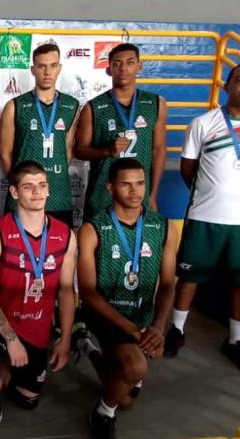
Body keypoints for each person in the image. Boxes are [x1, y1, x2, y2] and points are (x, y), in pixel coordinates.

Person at [164, 62, 240, 377]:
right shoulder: (203, 123)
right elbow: (188, 168)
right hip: (204, 215)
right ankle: (177, 330)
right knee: (189, 276)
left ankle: (237, 341)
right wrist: (212, 193)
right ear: (227, 86)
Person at [0, 160, 76, 439]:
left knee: (28, 400)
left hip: (38, 331)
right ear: (15, 192)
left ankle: (10, 375)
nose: (37, 192)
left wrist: (65, 339)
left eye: (42, 185)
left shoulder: (65, 234)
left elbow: (66, 290)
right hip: (2, 326)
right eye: (29, 187)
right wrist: (11, 339)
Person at [77, 157, 177, 439]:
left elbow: (167, 283)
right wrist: (133, 331)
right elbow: (88, 292)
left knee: (127, 397)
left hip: (142, 317)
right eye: (126, 184)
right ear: (110, 188)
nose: (135, 191)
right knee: (135, 366)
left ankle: (85, 346)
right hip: (106, 315)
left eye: (140, 183)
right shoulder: (93, 228)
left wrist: (158, 327)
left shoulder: (164, 227)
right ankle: (102, 414)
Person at [75, 43, 167, 220]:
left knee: (136, 236)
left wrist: (153, 193)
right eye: (117, 64)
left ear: (139, 66)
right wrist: (107, 150)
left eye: (130, 62)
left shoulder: (155, 104)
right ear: (109, 70)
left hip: (138, 194)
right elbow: (80, 150)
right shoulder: (93, 107)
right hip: (102, 194)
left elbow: (159, 150)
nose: (123, 68)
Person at [0, 43, 80, 227]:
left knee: (59, 244)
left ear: (59, 68)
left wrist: (52, 175)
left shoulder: (72, 105)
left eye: (53, 66)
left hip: (59, 196)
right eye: (41, 66)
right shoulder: (15, 106)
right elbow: (4, 153)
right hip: (23, 197)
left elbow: (68, 148)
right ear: (33, 70)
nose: (47, 72)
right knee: (17, 244)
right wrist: (21, 184)